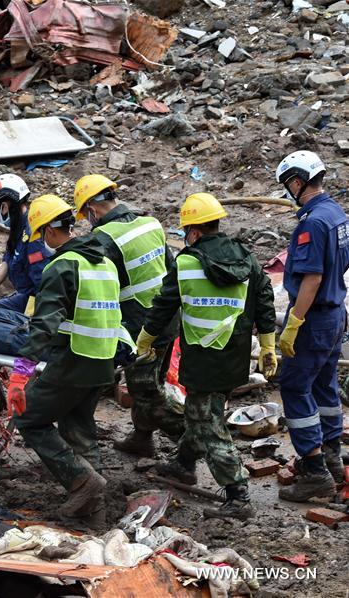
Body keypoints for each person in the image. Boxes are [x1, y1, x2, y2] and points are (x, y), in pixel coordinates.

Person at [137, 193, 277, 520]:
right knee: (203, 412)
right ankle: (184, 463)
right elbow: (265, 297)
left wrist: (145, 340)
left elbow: (163, 307)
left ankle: (238, 494)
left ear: (194, 232)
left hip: (202, 359)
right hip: (235, 357)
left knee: (208, 423)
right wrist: (267, 345)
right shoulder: (246, 258)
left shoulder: (186, 263)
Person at [6, 195, 131, 524]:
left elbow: (44, 325)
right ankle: (95, 515)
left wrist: (20, 376)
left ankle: (82, 480)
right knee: (79, 430)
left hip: (73, 362)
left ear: (48, 231)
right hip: (102, 362)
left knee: (28, 418)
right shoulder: (102, 260)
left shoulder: (61, 266)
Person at [73, 174, 183, 457]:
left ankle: (197, 439)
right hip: (169, 319)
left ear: (92, 210)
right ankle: (142, 438)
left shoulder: (103, 240)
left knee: (146, 391)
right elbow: (172, 271)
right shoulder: (151, 223)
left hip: (141, 327)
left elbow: (100, 288)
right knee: (151, 382)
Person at [275, 151, 348, 500]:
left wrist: (294, 322)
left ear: (297, 181)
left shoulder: (313, 223)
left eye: (288, 184)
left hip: (315, 317)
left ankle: (315, 470)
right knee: (323, 383)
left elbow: (312, 277)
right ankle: (332, 455)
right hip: (335, 314)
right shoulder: (336, 214)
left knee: (293, 385)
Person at [0, 174, 54, 316]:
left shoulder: (33, 234)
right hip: (25, 297)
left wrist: (30, 319)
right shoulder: (18, 231)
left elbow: (44, 285)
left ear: (4, 206)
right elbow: (5, 266)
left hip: (39, 302)